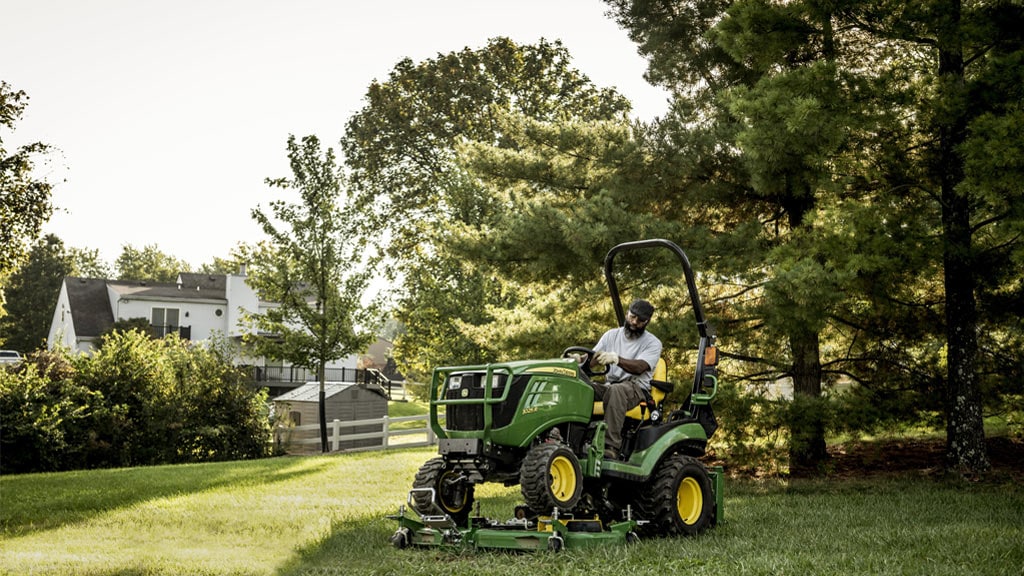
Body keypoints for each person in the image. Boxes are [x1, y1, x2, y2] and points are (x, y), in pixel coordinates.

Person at [590, 299, 662, 460]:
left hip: (636, 389)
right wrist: (578, 360)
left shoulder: (653, 343)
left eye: (640, 320)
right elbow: (592, 359)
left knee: (617, 391)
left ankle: (610, 446)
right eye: (632, 316)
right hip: (610, 386)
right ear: (628, 313)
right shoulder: (611, 335)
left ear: (647, 322)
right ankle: (565, 435)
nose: (634, 322)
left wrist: (617, 359)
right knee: (581, 386)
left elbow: (640, 367)